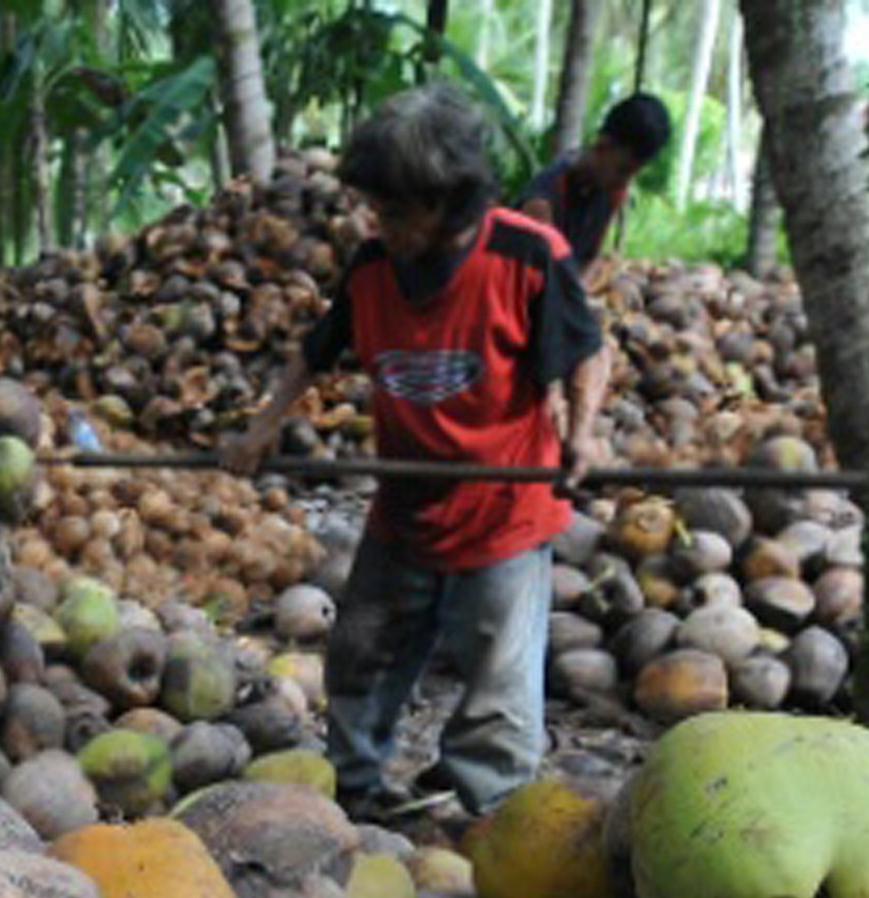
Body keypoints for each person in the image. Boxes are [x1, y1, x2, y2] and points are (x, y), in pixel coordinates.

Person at [221, 84, 609, 827]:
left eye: (393, 211)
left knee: (498, 683)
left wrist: (581, 432)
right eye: (375, 208)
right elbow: (314, 354)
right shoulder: (371, 269)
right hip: (404, 510)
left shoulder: (525, 258)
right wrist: (260, 429)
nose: (379, 224)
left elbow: (586, 354)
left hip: (506, 513)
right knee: (359, 653)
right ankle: (357, 789)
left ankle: (493, 822)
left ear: (443, 203)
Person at [517, 93, 672, 275]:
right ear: (603, 146)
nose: (625, 182)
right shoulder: (543, 200)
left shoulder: (612, 192)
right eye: (623, 170)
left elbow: (589, 259)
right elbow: (541, 277)